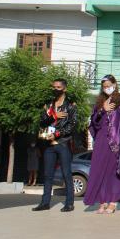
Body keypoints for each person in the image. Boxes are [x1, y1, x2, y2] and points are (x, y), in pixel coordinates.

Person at [84, 75, 120, 214]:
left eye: (109, 85)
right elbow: (94, 122)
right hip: (101, 141)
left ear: (115, 84)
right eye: (104, 87)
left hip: (116, 143)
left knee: (113, 172)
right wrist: (102, 110)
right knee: (100, 171)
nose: (107, 88)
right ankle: (102, 202)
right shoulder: (100, 102)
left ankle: (112, 202)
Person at [33, 78, 78, 212]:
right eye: (54, 87)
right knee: (47, 174)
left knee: (66, 174)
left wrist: (57, 134)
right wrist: (54, 116)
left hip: (63, 143)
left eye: (58, 87)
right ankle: (45, 203)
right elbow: (42, 122)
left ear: (64, 89)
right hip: (48, 144)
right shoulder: (48, 105)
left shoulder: (71, 106)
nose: (55, 89)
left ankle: (69, 204)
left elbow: (72, 125)